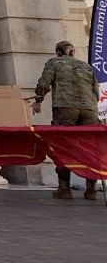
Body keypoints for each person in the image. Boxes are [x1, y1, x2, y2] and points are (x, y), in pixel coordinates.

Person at [32, 40, 101, 200]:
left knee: (63, 146)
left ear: (58, 52)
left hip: (65, 108)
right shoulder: (86, 66)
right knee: (90, 148)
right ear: (73, 52)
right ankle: (91, 190)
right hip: (89, 109)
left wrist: (38, 100)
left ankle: (64, 189)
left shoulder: (54, 62)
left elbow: (45, 82)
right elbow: (96, 91)